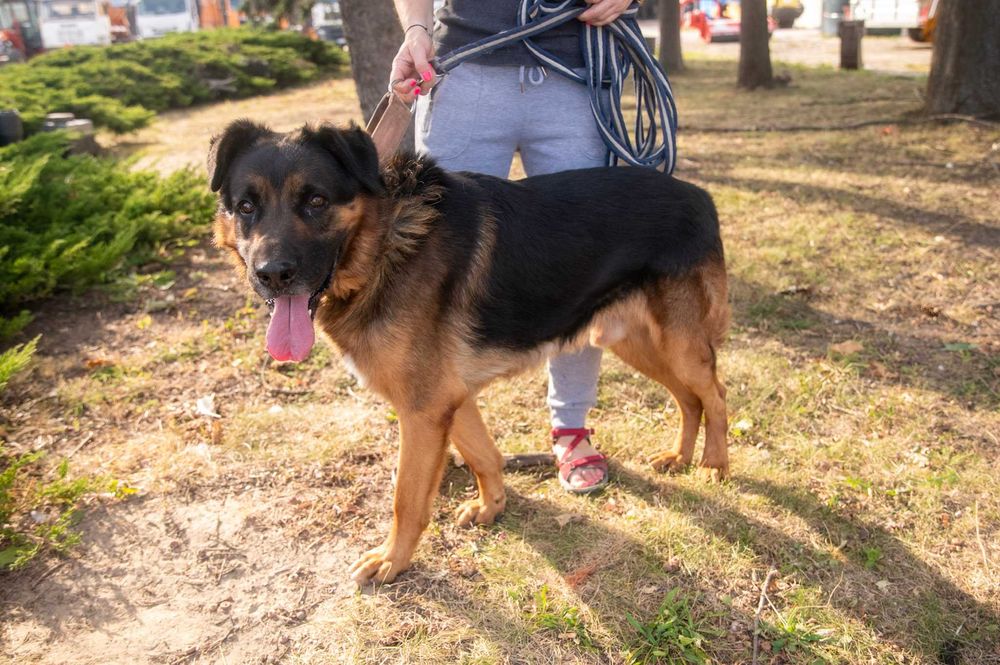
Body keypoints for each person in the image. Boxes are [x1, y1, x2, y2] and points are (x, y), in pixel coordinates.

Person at [389, 0, 634, 494]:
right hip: (464, 69)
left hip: (574, 72)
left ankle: (571, 429)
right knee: (431, 271)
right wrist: (416, 28)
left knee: (581, 266)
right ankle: (446, 432)